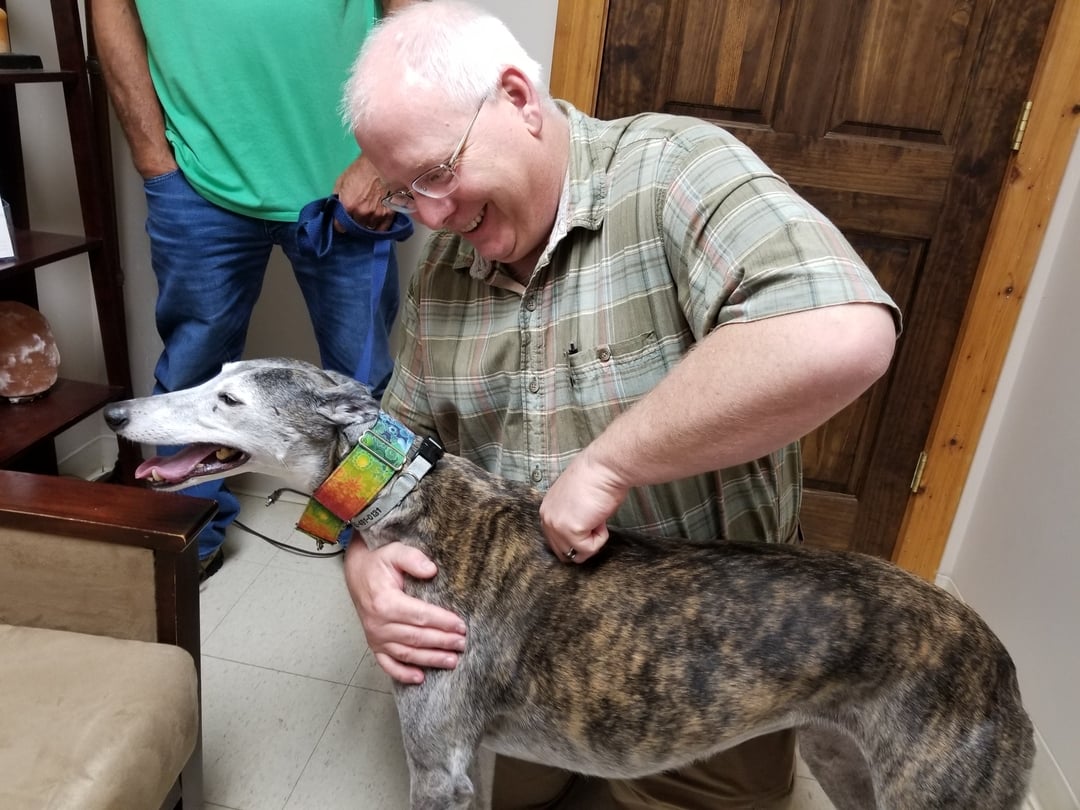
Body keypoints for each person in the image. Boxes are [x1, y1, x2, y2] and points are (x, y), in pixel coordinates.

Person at [341, 2, 901, 807]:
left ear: (517, 99)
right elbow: (390, 440)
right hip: (522, 638)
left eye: (436, 173)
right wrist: (359, 560)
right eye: (402, 193)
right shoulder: (442, 265)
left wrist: (610, 464)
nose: (428, 215)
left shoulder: (677, 168)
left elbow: (843, 335)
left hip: (706, 661)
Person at [93, 0, 419, 579]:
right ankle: (188, 539)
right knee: (190, 376)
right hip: (194, 179)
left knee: (367, 387)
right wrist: (152, 157)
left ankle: (366, 534)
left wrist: (382, 156)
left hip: (348, 177)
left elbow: (415, 14)